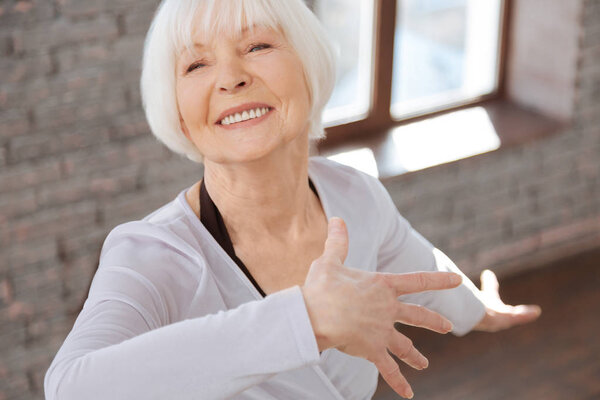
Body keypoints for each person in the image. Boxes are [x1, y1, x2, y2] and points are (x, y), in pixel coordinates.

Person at [44, 1, 541, 399]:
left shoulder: (355, 194)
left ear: (310, 66)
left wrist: (482, 310)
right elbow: (71, 388)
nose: (230, 77)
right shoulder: (151, 256)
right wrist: (307, 321)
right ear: (175, 112)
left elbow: (421, 269)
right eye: (196, 64)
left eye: (257, 45)